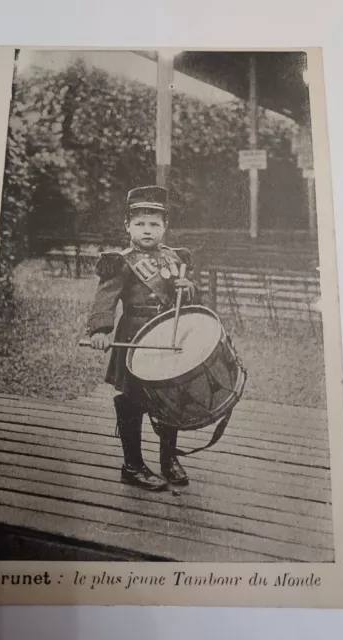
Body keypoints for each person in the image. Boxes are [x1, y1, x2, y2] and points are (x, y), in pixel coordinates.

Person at [87, 185, 199, 491]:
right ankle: (132, 466)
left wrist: (188, 288)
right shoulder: (121, 261)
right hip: (135, 338)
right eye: (139, 224)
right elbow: (104, 299)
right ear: (127, 226)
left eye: (154, 224)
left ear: (165, 227)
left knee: (171, 397)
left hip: (168, 337)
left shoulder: (177, 258)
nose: (147, 231)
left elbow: (191, 299)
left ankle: (168, 460)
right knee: (133, 400)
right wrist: (100, 330)